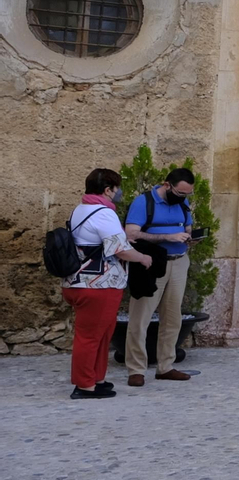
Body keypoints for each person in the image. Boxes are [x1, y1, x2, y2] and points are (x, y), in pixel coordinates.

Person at [63, 169, 152, 399]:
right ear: (107, 190)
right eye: (116, 188)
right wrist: (142, 257)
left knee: (102, 334)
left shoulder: (81, 209)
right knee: (90, 336)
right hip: (98, 285)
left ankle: (97, 379)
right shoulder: (103, 212)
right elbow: (120, 251)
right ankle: (85, 386)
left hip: (80, 282)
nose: (118, 192)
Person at [122, 167, 198, 386]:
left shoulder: (182, 203)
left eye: (187, 195)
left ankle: (166, 366)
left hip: (179, 262)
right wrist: (168, 236)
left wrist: (189, 238)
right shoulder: (143, 202)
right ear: (167, 185)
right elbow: (131, 233)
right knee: (140, 317)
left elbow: (187, 227)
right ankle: (136, 369)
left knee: (173, 318)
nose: (183, 198)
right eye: (180, 193)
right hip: (151, 264)